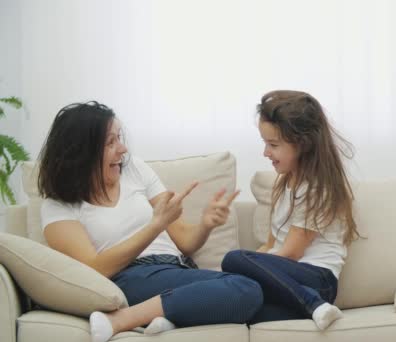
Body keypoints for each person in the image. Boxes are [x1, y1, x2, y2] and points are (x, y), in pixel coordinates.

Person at [37, 101, 263, 342]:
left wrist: (205, 225)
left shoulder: (134, 169)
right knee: (246, 288)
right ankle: (122, 319)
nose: (122, 149)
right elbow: (95, 269)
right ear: (82, 152)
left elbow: (185, 241)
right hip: (131, 278)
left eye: (119, 138)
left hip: (179, 268)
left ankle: (167, 315)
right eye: (110, 142)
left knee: (270, 303)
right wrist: (154, 225)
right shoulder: (57, 207)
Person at [221, 90, 359, 330]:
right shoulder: (285, 185)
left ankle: (312, 303)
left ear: (303, 145)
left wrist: (246, 265)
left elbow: (291, 253)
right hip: (288, 278)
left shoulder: (318, 188)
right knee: (238, 301)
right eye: (265, 143)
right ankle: (175, 318)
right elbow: (270, 247)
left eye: (273, 145)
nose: (266, 153)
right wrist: (247, 270)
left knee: (234, 258)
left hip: (317, 280)